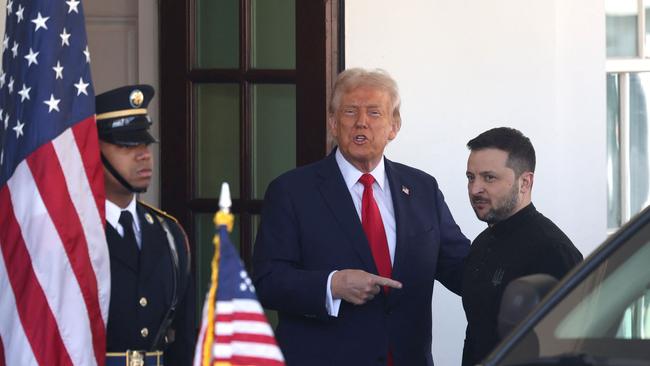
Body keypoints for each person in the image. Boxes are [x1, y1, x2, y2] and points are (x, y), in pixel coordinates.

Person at [252, 68, 470, 365]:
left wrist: (519, 259)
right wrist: (332, 285)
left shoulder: (422, 188)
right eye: (350, 112)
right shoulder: (291, 191)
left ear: (394, 126)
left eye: (374, 113)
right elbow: (268, 281)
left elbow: (460, 266)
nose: (362, 122)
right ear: (333, 122)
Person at [462, 127, 583, 366]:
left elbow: (569, 352)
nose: (475, 189)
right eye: (470, 177)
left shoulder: (552, 251)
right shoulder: (481, 244)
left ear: (525, 182)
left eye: (489, 177)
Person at [96, 85, 195, 366]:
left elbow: (183, 340)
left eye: (145, 144)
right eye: (126, 146)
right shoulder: (72, 233)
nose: (143, 155)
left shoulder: (169, 232)